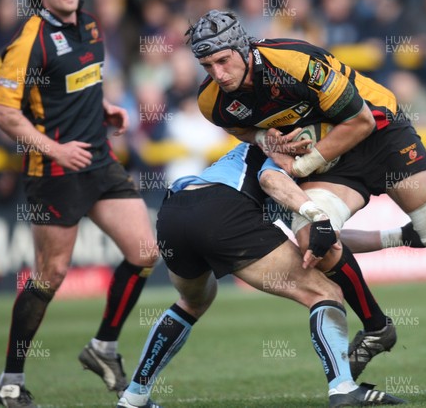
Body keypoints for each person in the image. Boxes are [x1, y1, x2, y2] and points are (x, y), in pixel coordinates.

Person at [186, 9, 426, 394]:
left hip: (380, 135)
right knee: (314, 241)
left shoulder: (295, 62)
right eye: (207, 65)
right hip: (331, 154)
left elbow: (362, 121)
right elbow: (245, 129)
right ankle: (376, 326)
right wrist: (267, 141)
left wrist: (306, 163)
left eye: (223, 60)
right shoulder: (211, 101)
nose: (218, 73)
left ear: (245, 49)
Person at [116, 142, 405, 408]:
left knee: (192, 301)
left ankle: (135, 396)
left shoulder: (256, 150)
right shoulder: (295, 149)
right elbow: (280, 189)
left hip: (174, 212)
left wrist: (398, 236)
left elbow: (321, 241)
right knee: (324, 292)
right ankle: (342, 388)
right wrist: (319, 215)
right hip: (225, 210)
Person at [0, 0, 158, 406]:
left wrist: (103, 107)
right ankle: (10, 379)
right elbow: (4, 113)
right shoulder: (30, 38)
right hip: (55, 171)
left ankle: (103, 348)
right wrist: (55, 149)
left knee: (145, 252)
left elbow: (78, 81)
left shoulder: (90, 23)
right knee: (51, 275)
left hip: (99, 161)